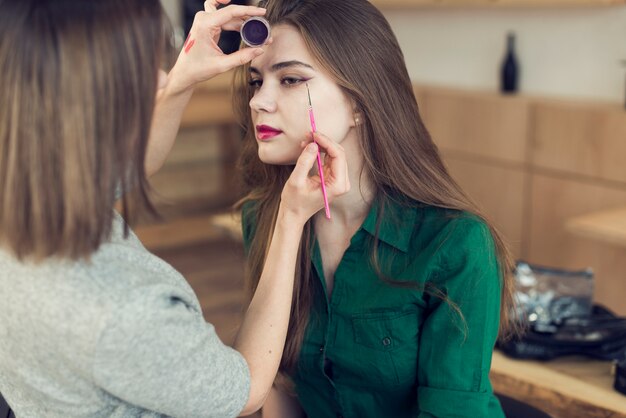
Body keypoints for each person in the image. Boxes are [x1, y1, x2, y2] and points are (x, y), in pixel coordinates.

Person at [0, 1, 348, 417]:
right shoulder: (123, 310)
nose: (162, 77)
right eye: (142, 65)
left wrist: (184, 78)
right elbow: (247, 388)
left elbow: (127, 167)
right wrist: (290, 219)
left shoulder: (25, 199)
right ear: (91, 99)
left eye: (290, 79)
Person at [234, 0, 518, 416]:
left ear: (360, 103)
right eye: (256, 82)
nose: (260, 101)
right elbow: (277, 384)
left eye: (290, 79)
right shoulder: (264, 218)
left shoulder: (455, 244)